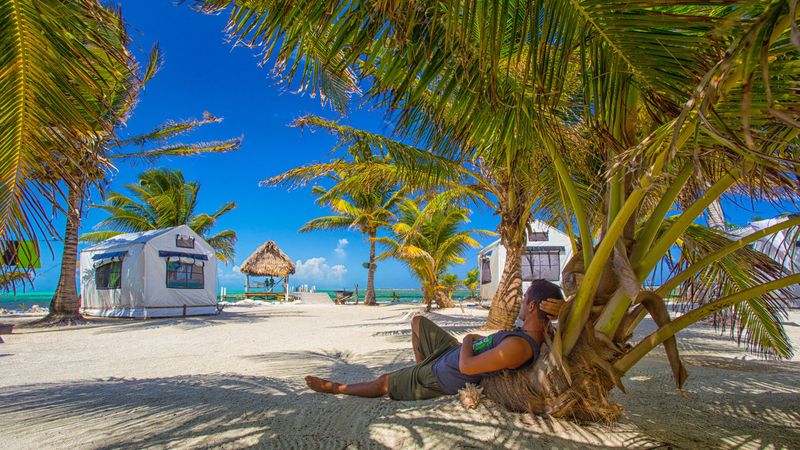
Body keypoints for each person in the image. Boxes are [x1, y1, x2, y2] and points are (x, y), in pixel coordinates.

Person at [304, 279, 565, 400]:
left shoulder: (520, 346)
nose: (519, 302)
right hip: (447, 354)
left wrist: (467, 341)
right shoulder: (531, 334)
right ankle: (419, 368)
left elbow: (467, 368)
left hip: (448, 374)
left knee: (384, 382)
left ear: (532, 307)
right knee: (418, 321)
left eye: (524, 297)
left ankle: (336, 388)